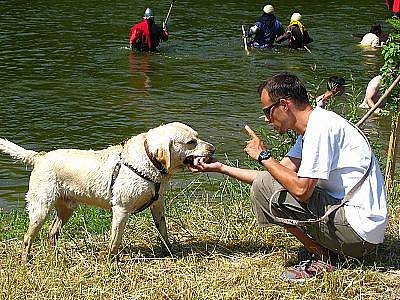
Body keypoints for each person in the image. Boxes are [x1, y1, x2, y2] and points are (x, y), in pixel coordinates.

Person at [189, 72, 388, 282]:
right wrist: (221, 168)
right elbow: (273, 177)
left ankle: (324, 257)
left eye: (268, 111)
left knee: (265, 188)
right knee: (265, 185)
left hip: (358, 235)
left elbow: (301, 191)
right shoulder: (311, 129)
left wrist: (263, 156)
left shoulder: (321, 128)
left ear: (284, 105)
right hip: (356, 229)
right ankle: (326, 250)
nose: (266, 120)